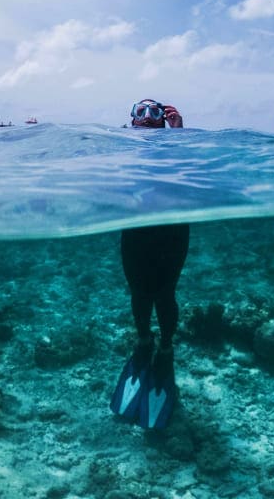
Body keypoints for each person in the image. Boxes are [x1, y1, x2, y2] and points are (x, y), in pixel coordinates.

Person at [110, 99, 188, 430]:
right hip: (136, 231)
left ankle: (166, 348)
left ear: (164, 120)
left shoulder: (177, 145)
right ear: (131, 120)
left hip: (172, 230)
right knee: (139, 291)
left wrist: (179, 134)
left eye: (155, 112)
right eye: (140, 112)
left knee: (165, 293)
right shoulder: (121, 148)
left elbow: (192, 174)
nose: (147, 117)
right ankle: (144, 341)